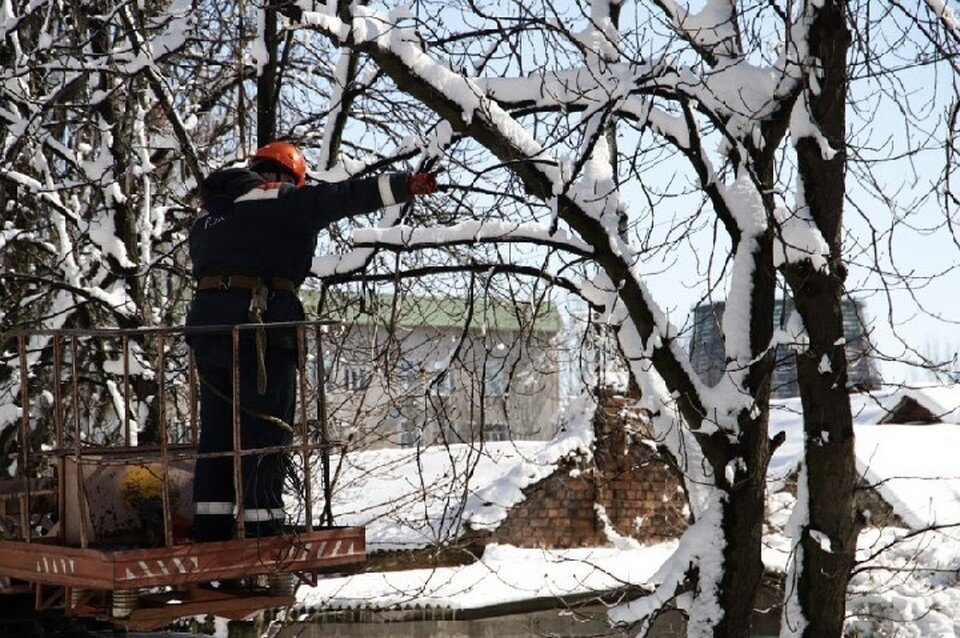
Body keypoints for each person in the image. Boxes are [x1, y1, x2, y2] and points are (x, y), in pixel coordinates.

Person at [186, 141, 438, 541]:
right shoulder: (280, 199)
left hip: (207, 333)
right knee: (267, 432)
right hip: (262, 328)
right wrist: (405, 184)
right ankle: (264, 534)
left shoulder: (207, 218)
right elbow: (343, 197)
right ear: (284, 176)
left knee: (216, 433)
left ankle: (210, 529)